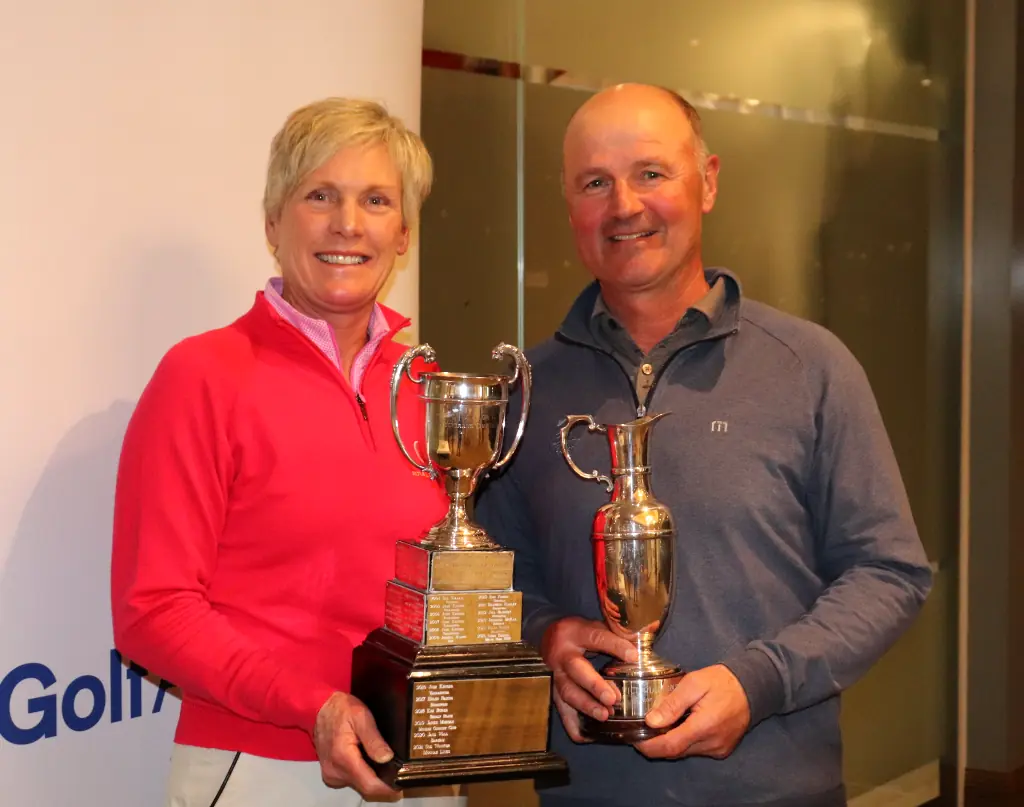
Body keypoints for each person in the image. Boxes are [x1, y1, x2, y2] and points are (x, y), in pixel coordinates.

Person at [474, 83, 933, 807]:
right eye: (596, 182)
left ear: (708, 181)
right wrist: (547, 633)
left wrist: (760, 682)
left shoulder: (809, 367)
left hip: (777, 791)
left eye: (652, 172)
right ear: (570, 207)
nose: (624, 204)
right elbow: (496, 576)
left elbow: (889, 573)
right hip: (584, 794)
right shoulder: (527, 392)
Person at [111, 98, 465, 807]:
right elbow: (152, 609)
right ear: (274, 222)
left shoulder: (430, 388)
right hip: (261, 767)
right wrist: (313, 705)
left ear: (403, 233)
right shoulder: (204, 374)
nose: (347, 223)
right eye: (319, 195)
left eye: (375, 200)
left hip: (423, 768)